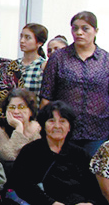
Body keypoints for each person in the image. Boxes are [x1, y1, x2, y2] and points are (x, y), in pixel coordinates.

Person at [40, 12, 109, 156]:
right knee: (64, 169)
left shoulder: (106, 60)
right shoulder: (58, 58)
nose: (79, 32)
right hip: (63, 130)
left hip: (98, 131)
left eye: (85, 28)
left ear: (96, 31)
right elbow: (46, 97)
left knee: (93, 170)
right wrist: (43, 127)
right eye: (75, 28)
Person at [0, 88, 41, 164]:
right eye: (12, 107)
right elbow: (8, 156)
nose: (16, 111)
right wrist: (18, 128)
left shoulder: (39, 129)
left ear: (31, 111)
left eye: (21, 107)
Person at [18, 23, 48, 94]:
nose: (22, 41)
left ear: (39, 43)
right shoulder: (14, 64)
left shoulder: (43, 66)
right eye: (21, 36)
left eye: (27, 38)